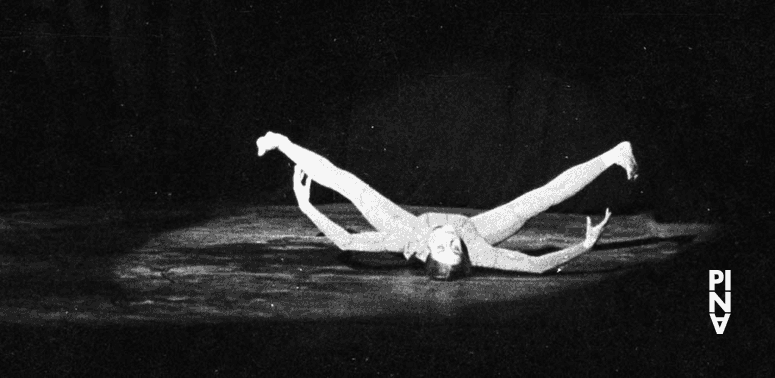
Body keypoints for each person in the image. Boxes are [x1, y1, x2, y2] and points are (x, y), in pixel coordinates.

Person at [255, 131, 637, 279]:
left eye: (443, 246)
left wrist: (307, 207)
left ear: (427, 251)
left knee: (349, 185)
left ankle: (280, 142)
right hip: (484, 229)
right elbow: (536, 266)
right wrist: (584, 246)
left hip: (406, 222)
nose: (451, 238)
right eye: (456, 248)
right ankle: (614, 155)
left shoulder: (409, 240)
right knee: (539, 199)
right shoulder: (478, 249)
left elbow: (348, 243)